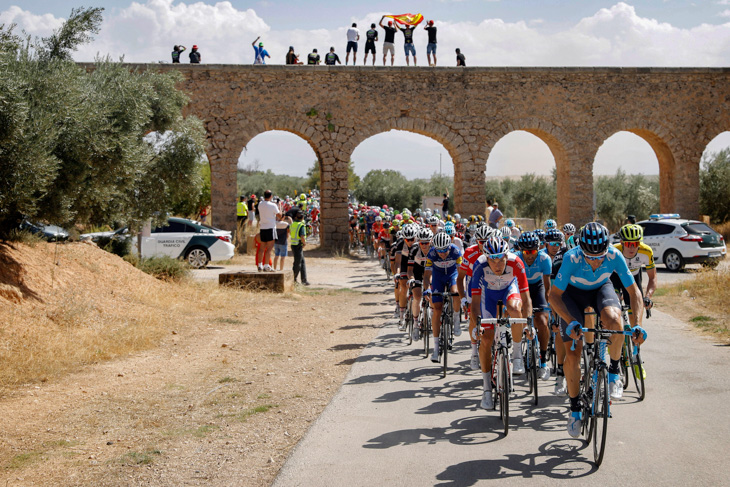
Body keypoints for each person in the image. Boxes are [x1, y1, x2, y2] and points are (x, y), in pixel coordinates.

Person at [548, 222, 646, 438]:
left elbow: (634, 292)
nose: (595, 260)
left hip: (601, 288)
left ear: (607, 249)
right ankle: (574, 410)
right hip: (572, 295)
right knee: (573, 354)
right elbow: (553, 296)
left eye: (599, 256)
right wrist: (569, 320)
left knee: (615, 321)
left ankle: (613, 373)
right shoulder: (571, 258)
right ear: (580, 249)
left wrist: (637, 323)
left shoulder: (614, 256)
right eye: (589, 256)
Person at [469, 236, 532, 409]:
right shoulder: (479, 265)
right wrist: (477, 327)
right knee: (487, 339)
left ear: (507, 256)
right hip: (487, 296)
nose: (497, 265)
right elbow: (474, 304)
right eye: (492, 260)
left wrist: (528, 324)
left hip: (508, 290)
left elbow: (526, 298)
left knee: (514, 309)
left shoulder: (516, 263)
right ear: (486, 258)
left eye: (501, 260)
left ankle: (517, 355)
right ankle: (487, 390)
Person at [422, 232, 464, 363]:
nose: (442, 253)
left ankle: (456, 319)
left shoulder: (456, 252)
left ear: (449, 247)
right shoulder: (431, 253)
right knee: (437, 309)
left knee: (455, 291)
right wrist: (427, 288)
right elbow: (427, 275)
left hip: (453, 274)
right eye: (439, 250)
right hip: (438, 277)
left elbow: (461, 274)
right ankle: (435, 348)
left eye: (445, 250)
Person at [256, 190, 281, 272]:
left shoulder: (260, 204)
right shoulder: (273, 205)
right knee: (269, 249)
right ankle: (266, 265)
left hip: (263, 227)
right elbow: (279, 216)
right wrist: (279, 206)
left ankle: (259, 265)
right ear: (271, 196)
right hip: (270, 227)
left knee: (262, 248)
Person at [290, 210, 309, 285]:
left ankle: (304, 280)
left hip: (293, 244)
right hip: (298, 244)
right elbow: (302, 236)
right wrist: (304, 243)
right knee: (298, 263)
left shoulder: (292, 224)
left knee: (302, 262)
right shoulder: (301, 225)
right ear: (302, 217)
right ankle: (293, 280)